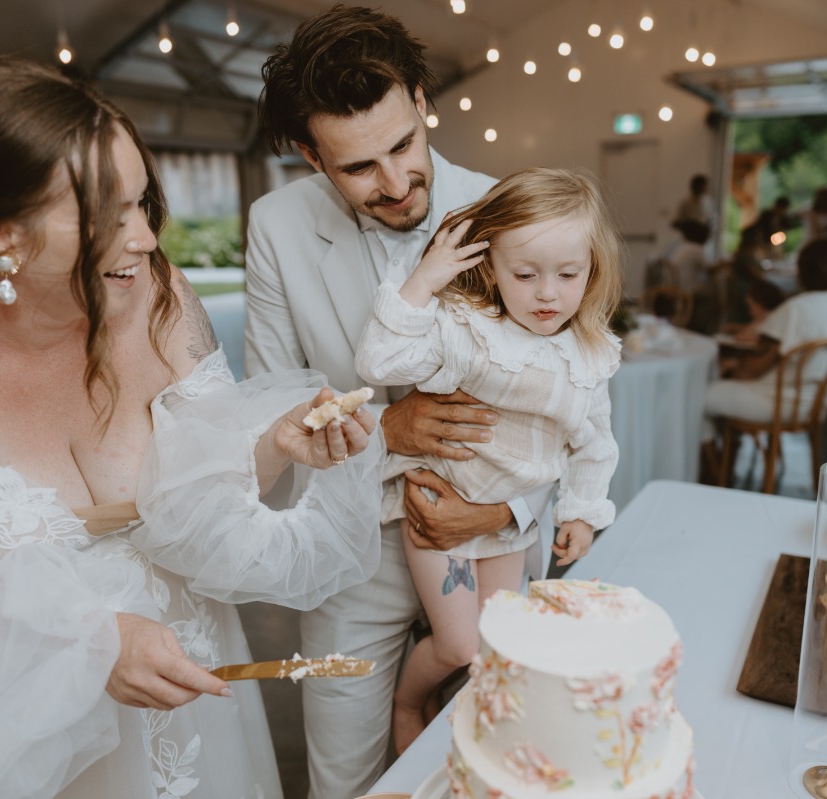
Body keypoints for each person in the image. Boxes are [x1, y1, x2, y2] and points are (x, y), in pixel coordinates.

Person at [0, 60, 383, 799]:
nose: (146, 239)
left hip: (187, 689)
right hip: (14, 723)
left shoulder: (158, 293)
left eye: (144, 202)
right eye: (110, 213)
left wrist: (276, 446)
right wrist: (86, 643)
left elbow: (200, 499)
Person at [244, 6, 554, 796]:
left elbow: (569, 397)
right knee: (341, 774)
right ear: (312, 157)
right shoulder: (276, 226)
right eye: (357, 169)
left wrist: (499, 516)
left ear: (421, 101)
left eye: (403, 147)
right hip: (352, 550)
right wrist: (386, 425)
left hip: (496, 539)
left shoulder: (508, 206)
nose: (394, 183)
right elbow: (268, 406)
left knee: (499, 764)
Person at [355, 168, 622, 752]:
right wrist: (423, 280)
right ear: (491, 268)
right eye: (525, 275)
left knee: (498, 641)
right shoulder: (471, 332)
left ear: (592, 270)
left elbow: (594, 445)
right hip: (437, 508)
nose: (547, 293)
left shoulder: (590, 356)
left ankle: (485, 745)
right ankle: (406, 703)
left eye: (568, 274)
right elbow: (379, 362)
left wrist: (581, 513)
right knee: (460, 646)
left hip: (504, 529)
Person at [706, 238, 827, 425]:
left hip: (777, 402)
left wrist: (733, 366)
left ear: (803, 269)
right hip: (818, 405)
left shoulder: (796, 308)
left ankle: (704, 453)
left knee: (693, 397)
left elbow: (753, 370)